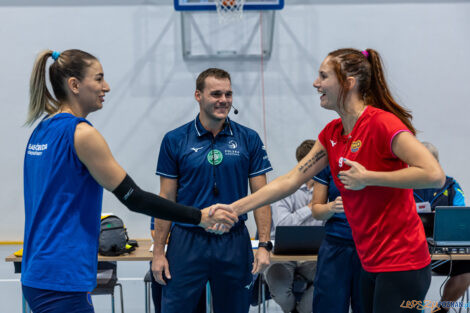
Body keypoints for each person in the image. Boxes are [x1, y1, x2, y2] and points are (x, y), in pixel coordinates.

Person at [215, 48, 446, 313]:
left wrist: (368, 178)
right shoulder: (332, 133)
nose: (316, 83)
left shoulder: (382, 124)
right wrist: (236, 208)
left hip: (402, 262)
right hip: (368, 261)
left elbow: (434, 175)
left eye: (323, 76)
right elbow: (290, 180)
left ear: (348, 82)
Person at [22, 49, 238, 313]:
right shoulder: (81, 134)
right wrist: (198, 216)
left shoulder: (43, 129)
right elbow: (134, 197)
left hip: (38, 271)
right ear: (75, 85)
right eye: (99, 79)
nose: (107, 87)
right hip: (61, 276)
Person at [152, 68, 273, 313]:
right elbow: (166, 199)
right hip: (187, 241)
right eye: (216, 94)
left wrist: (263, 245)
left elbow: (262, 197)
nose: (223, 100)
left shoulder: (248, 139)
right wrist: (158, 252)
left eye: (228, 94)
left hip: (233, 241)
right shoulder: (175, 140)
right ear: (198, 95)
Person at [264, 139, 322, 313]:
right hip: (283, 256)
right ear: (302, 163)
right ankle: (291, 310)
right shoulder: (286, 187)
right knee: (278, 284)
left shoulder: (328, 190)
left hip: (316, 258)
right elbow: (282, 225)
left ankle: (302, 310)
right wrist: (310, 209)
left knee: (331, 279)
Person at [413, 142, 469, 313]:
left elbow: (460, 217)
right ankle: (415, 310)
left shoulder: (451, 186)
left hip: (443, 251)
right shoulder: (402, 186)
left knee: (466, 268)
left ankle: (441, 310)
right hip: (409, 248)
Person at [311, 165, 363, 313]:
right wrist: (331, 207)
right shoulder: (328, 160)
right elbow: (316, 210)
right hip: (335, 245)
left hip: (370, 247)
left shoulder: (376, 155)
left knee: (368, 306)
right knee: (328, 307)